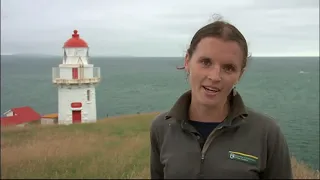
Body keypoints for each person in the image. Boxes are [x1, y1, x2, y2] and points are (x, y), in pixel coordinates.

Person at [149, 17, 293, 179]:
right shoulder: (161, 128)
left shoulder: (267, 133)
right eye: (206, 62)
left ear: (240, 74)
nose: (215, 76)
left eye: (229, 68)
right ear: (188, 61)